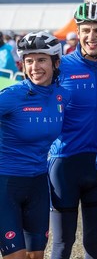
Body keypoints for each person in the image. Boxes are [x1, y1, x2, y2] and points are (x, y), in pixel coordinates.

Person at [48, 2, 97, 259]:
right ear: (78, 31)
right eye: (86, 30)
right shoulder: (60, 67)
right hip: (63, 164)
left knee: (95, 246)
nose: (91, 37)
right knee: (62, 246)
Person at [0, 31, 70, 259]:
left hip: (39, 184)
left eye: (41, 60)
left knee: (36, 256)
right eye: (29, 61)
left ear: (55, 62)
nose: (34, 67)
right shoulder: (12, 96)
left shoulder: (61, 96)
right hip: (6, 184)